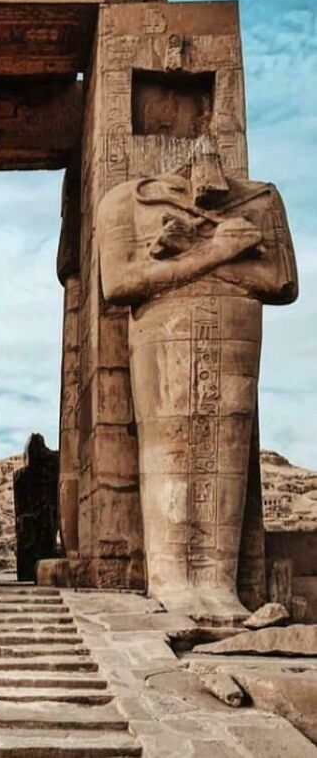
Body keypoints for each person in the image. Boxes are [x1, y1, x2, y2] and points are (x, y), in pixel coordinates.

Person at [98, 136, 297, 621]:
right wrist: (214, 253)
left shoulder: (260, 199)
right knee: (171, 448)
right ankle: (172, 579)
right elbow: (119, 283)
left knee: (223, 447)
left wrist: (197, 256)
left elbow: (280, 282)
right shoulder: (127, 200)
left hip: (234, 333)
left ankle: (218, 583)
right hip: (164, 334)